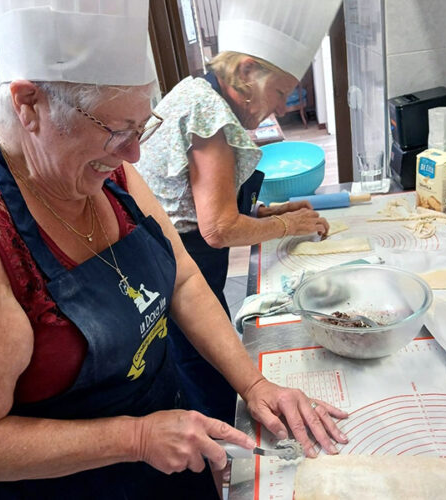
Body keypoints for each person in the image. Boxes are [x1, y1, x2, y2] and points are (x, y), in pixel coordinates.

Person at [0, 1, 347, 499]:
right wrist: (135, 437)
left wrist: (254, 385)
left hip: (170, 460)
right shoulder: (3, 236)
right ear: (29, 103)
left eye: (142, 128)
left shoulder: (111, 168)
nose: (133, 155)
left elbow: (182, 277)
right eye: (116, 130)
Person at [137, 0, 341, 426]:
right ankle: (221, 460)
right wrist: (289, 225)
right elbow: (217, 227)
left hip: (170, 256)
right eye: (282, 91)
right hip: (176, 265)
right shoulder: (210, 112)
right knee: (204, 374)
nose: (284, 107)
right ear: (247, 72)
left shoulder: (199, 91)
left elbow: (197, 201)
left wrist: (270, 212)